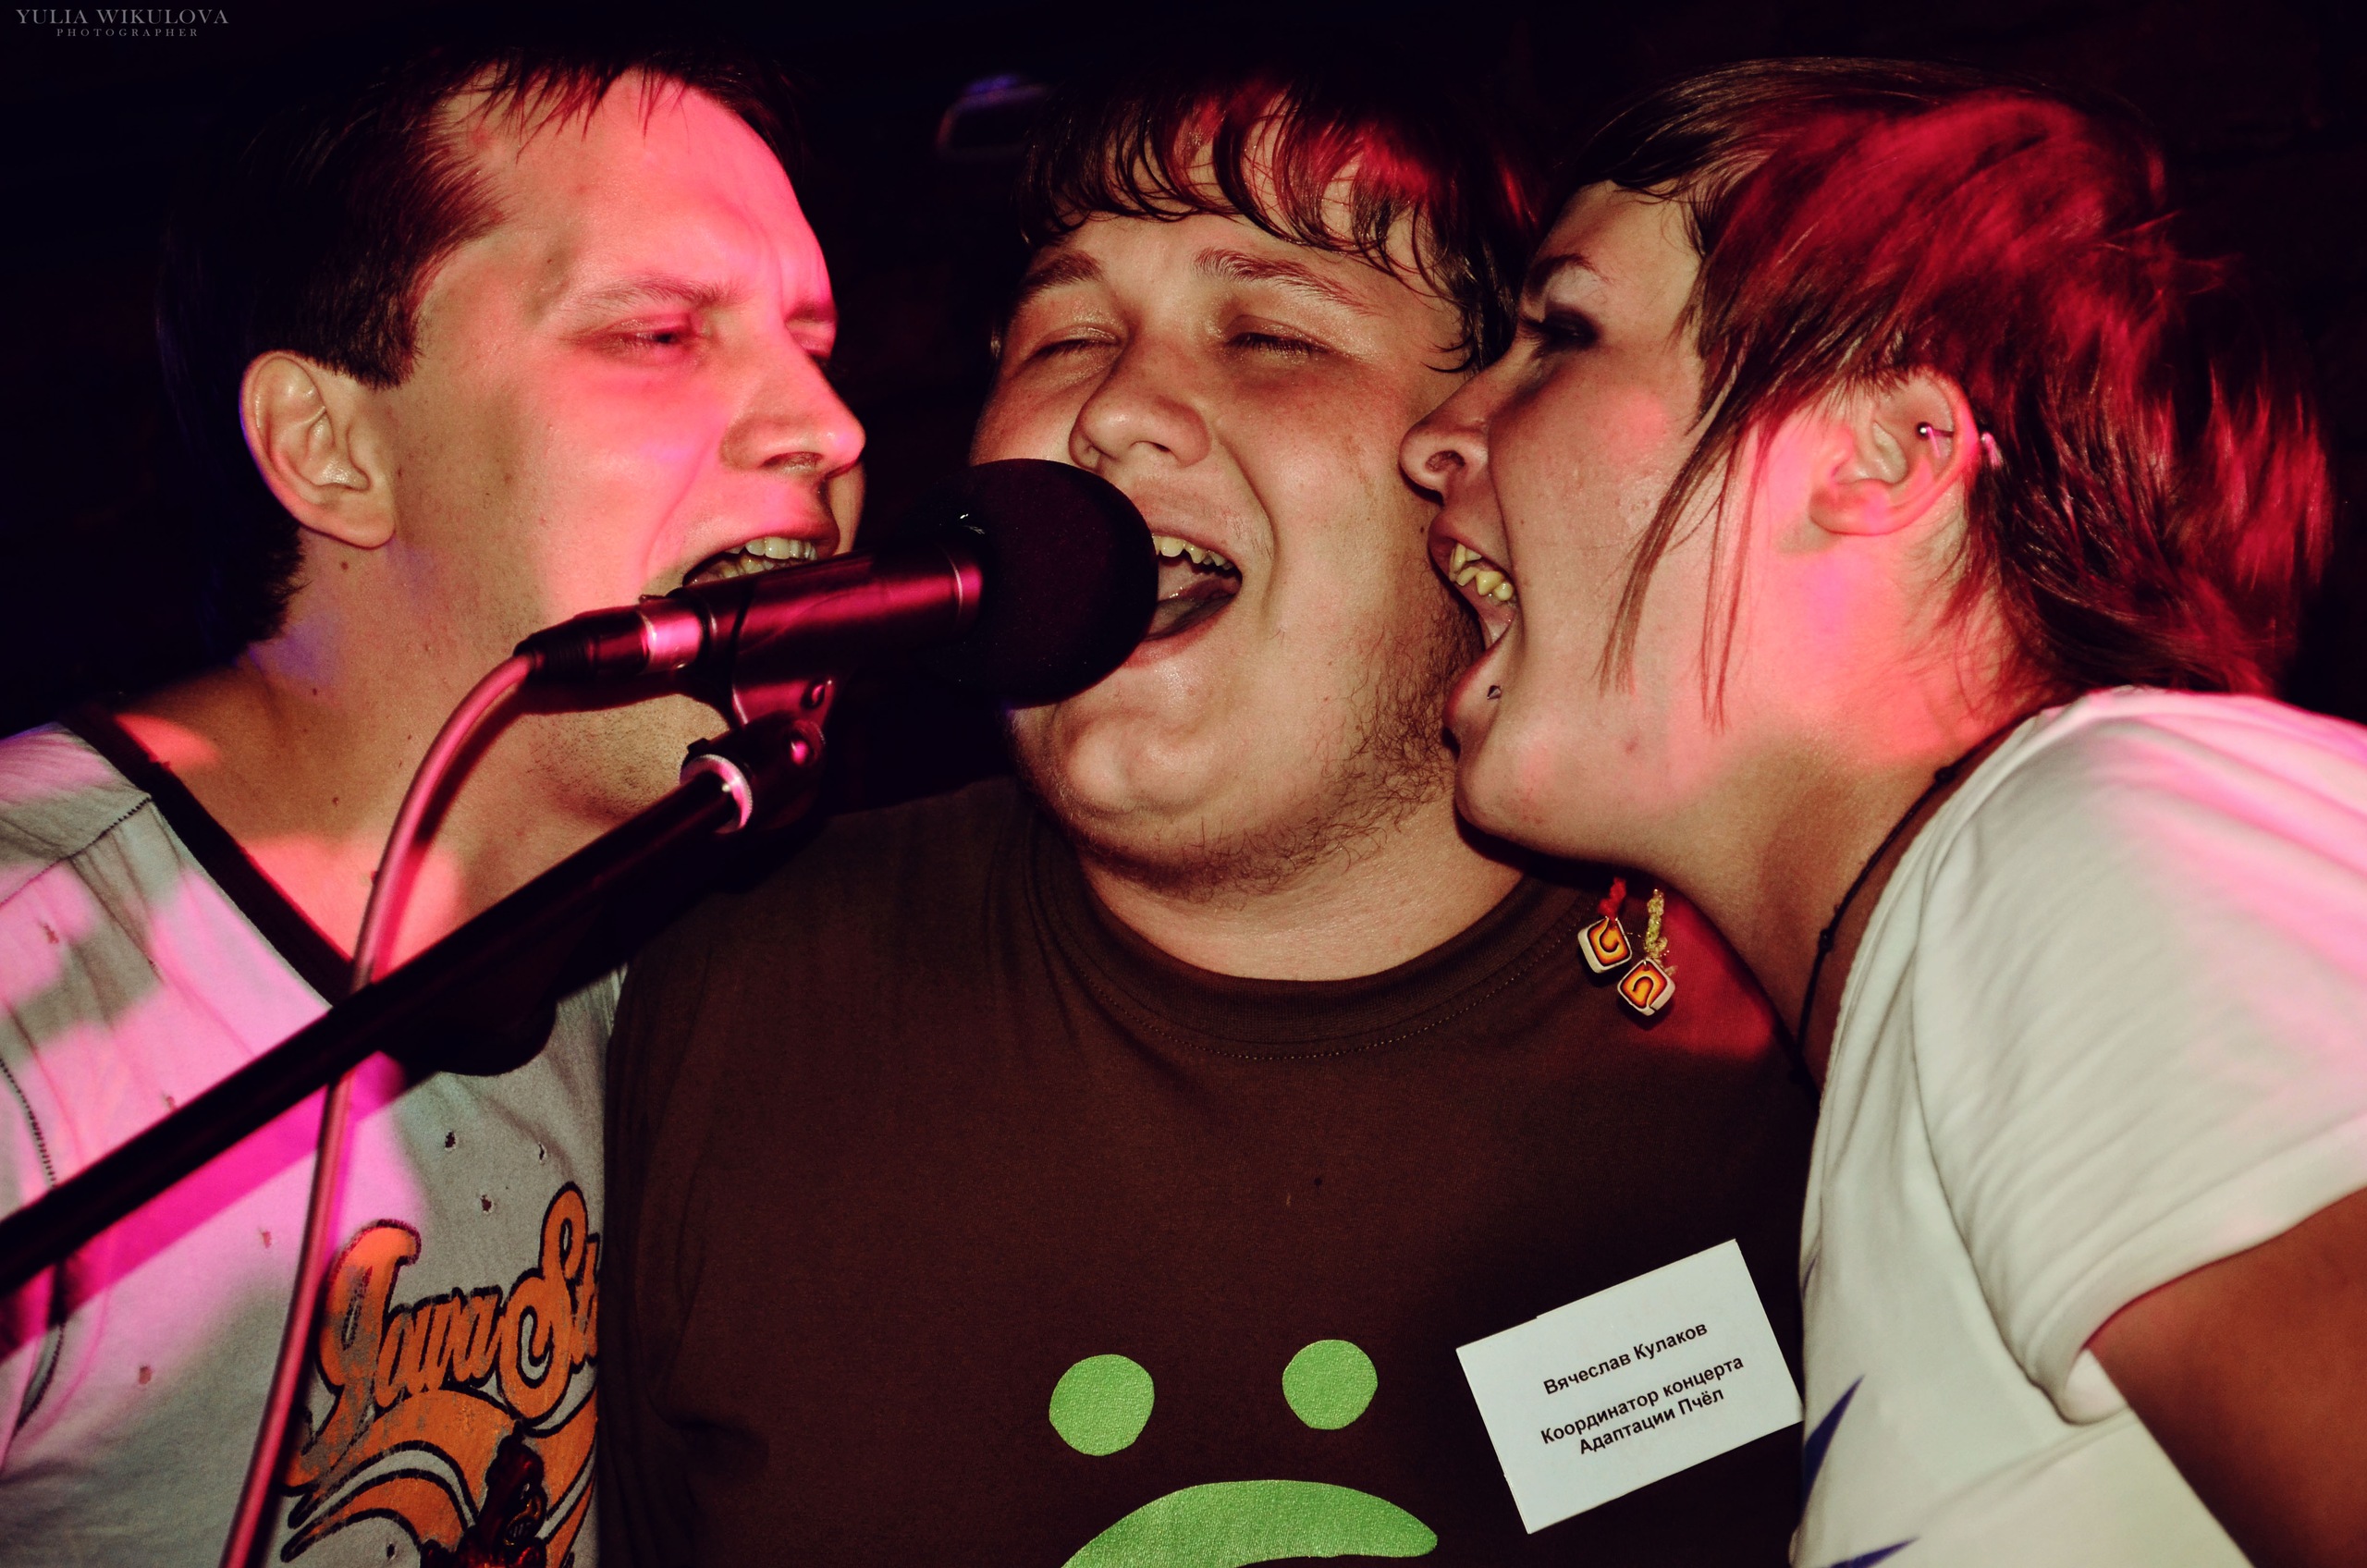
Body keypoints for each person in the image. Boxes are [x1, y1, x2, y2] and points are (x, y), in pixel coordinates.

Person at [598, 54, 1818, 1567]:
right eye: (1067, 335)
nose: (1115, 413)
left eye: (1269, 335)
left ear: (1484, 458)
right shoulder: (723, 991)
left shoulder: (1792, 1032)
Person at [1403, 57, 2367, 1568]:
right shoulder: (1959, 975)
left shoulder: (2089, 842)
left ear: (1882, 456)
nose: (1439, 437)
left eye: (1562, 333)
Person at [0, 27, 863, 1567]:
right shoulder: (36, 987)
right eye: (660, 333)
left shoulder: (669, 972)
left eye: (813, 341)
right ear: (332, 449)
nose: (829, 426)